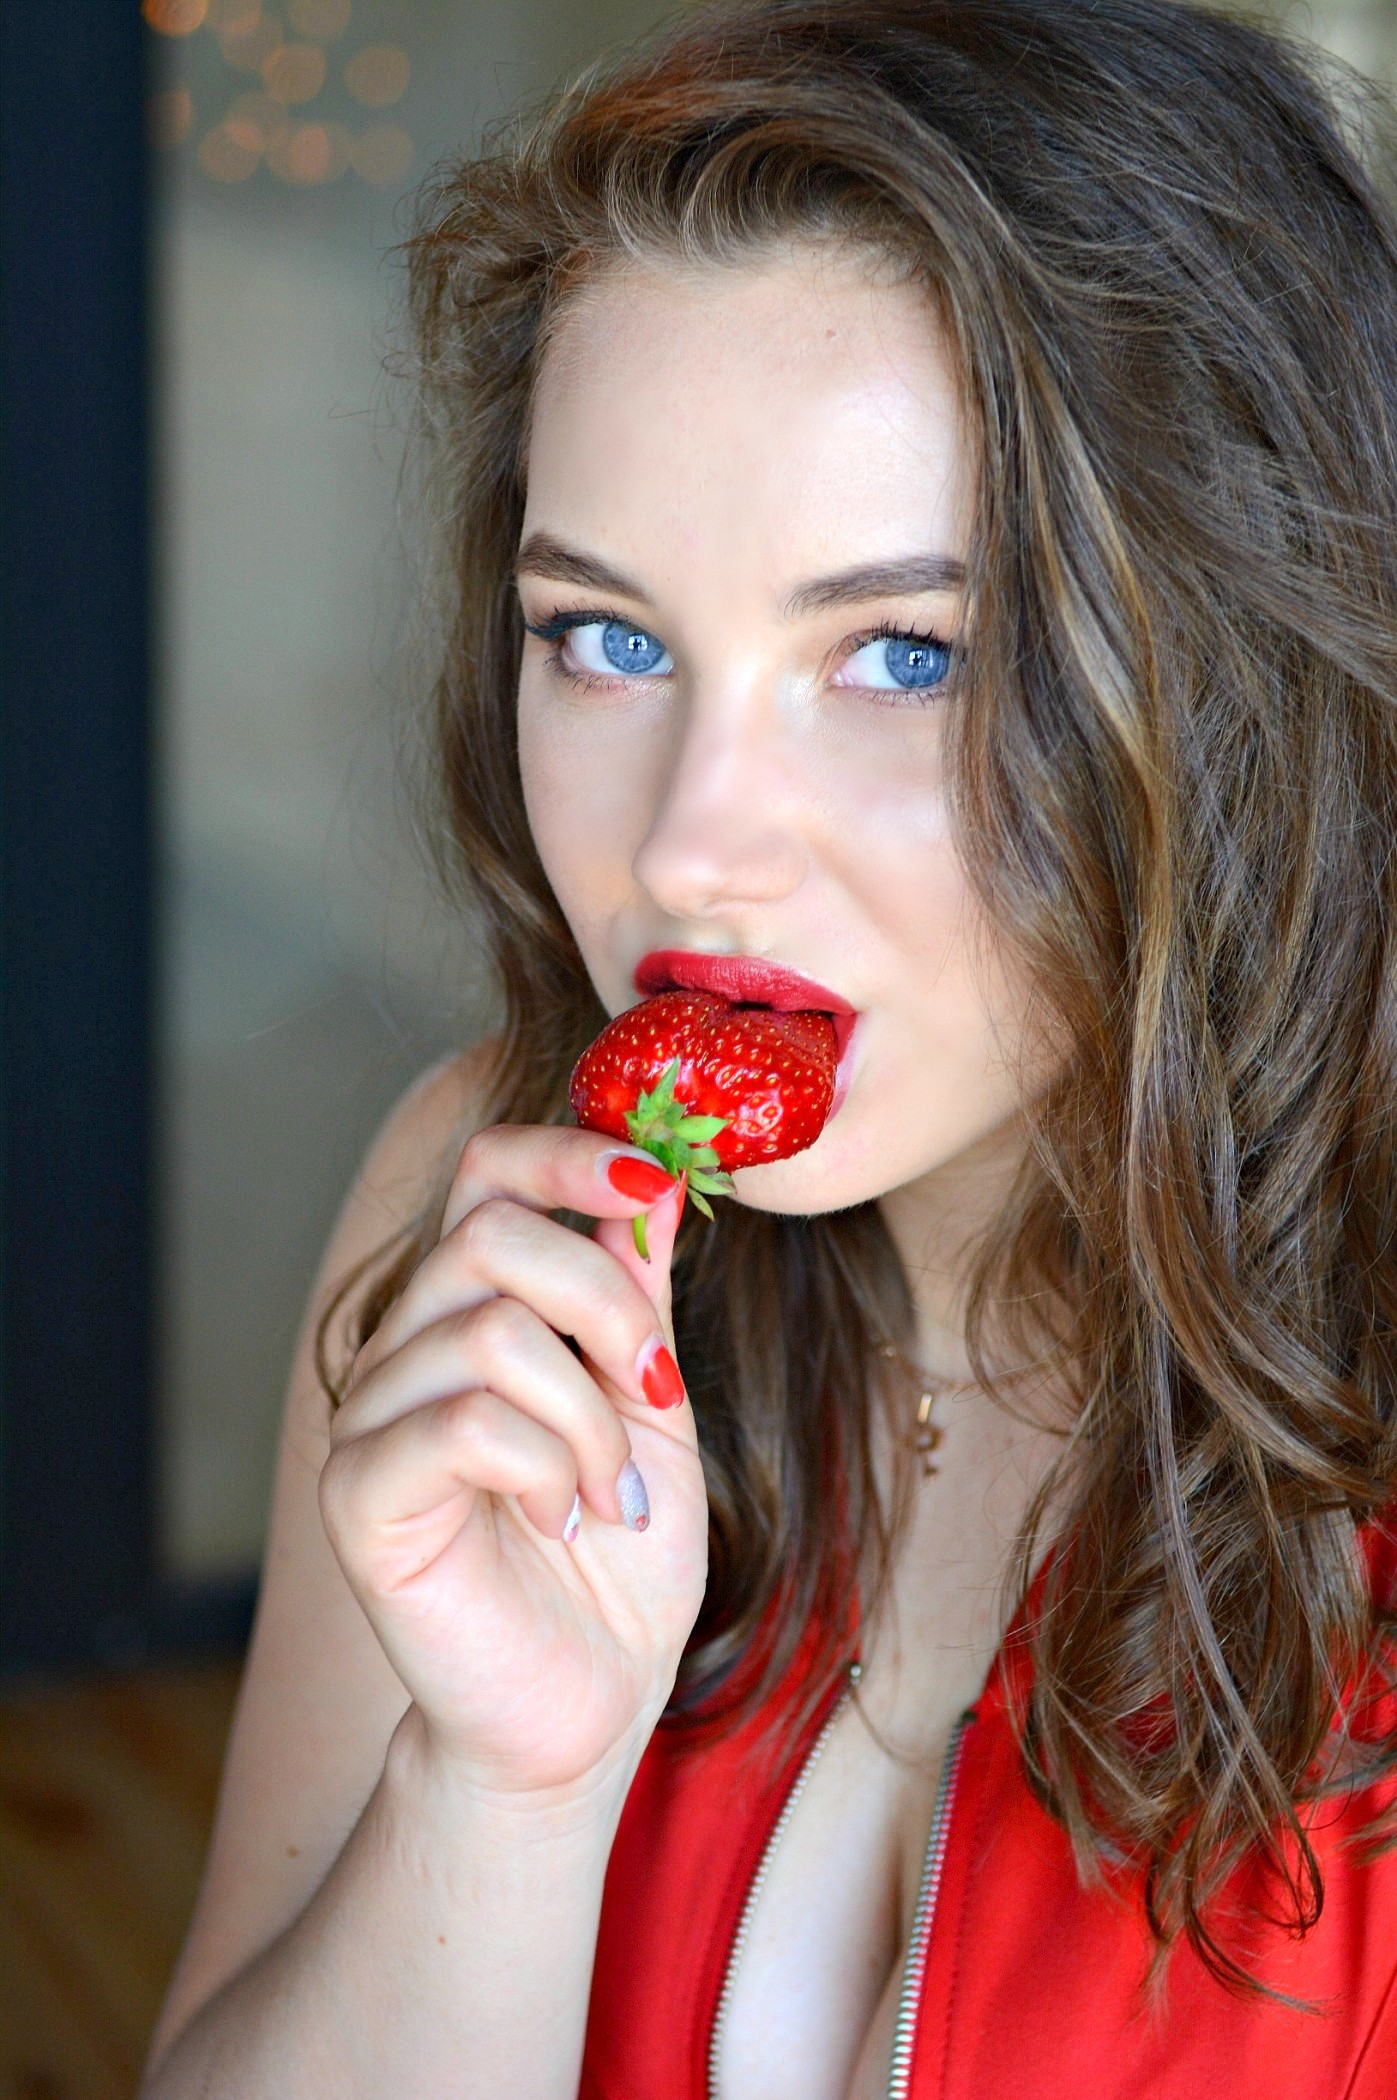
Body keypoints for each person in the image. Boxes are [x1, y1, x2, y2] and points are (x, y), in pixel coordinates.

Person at [141, 1, 1397, 2093]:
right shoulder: (479, 1231)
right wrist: (498, 1793)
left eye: (904, 654)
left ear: (1234, 676)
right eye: (607, 638)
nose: (691, 847)